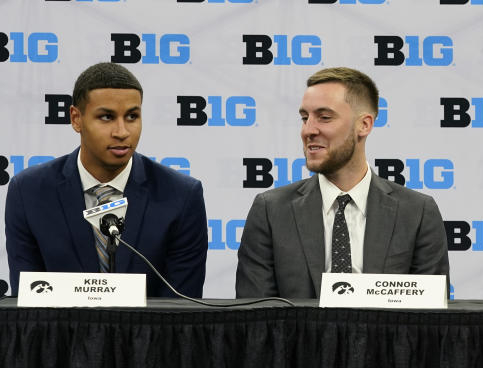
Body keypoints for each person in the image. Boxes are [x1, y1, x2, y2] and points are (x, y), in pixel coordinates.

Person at [235, 67, 449, 298]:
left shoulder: (417, 213)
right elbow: (255, 319)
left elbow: (430, 319)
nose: (308, 130)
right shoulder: (270, 210)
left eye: (324, 117)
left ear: (364, 125)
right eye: (305, 118)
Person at [5, 63, 207, 297]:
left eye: (132, 116)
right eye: (106, 117)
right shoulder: (29, 192)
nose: (121, 131)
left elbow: (181, 311)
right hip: (59, 333)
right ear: (76, 118)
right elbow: (30, 302)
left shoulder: (181, 196)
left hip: (152, 334)